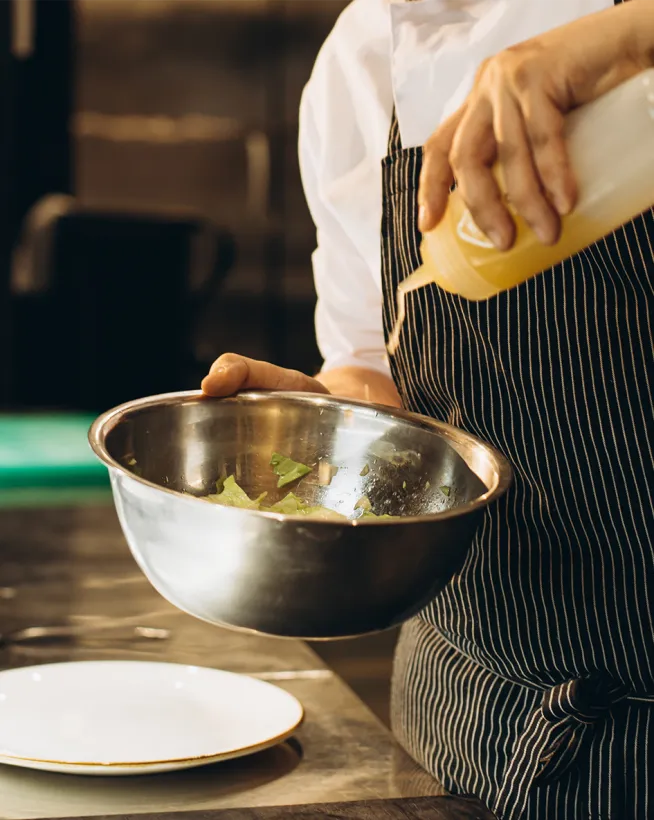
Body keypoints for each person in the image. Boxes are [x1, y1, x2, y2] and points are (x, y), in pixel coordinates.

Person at [203, 2, 654, 818]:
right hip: (465, 725)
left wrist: (626, 38)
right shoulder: (359, 62)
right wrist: (332, 427)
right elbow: (378, 365)